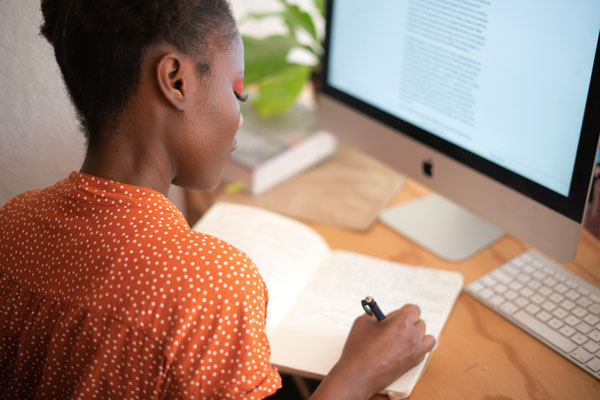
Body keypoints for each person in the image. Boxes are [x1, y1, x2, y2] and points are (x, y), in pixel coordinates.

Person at [0, 1, 435, 398]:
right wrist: (359, 372)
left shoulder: (12, 223)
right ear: (176, 80)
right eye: (237, 91)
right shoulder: (211, 288)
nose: (240, 117)